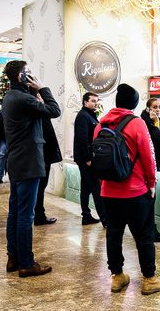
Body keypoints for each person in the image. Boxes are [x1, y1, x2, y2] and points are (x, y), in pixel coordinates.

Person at [97, 83, 160, 295]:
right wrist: (152, 183)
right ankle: (149, 279)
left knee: (113, 235)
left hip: (108, 191)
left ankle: (117, 277)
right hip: (135, 191)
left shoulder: (101, 124)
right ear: (134, 104)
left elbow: (99, 157)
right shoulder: (137, 123)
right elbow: (148, 157)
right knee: (144, 235)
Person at [2, 60, 60, 278]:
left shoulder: (10, 97)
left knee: (15, 212)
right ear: (21, 76)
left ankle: (13, 257)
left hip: (16, 161)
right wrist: (42, 88)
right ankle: (26, 263)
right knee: (26, 215)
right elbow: (54, 110)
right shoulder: (24, 98)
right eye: (28, 73)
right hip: (28, 163)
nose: (31, 76)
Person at [73, 92, 106, 225]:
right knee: (96, 187)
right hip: (86, 158)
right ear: (85, 102)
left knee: (86, 187)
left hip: (87, 157)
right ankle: (105, 219)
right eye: (93, 101)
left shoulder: (90, 115)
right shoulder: (83, 116)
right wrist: (88, 158)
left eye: (96, 101)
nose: (95, 103)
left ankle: (86, 215)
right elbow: (82, 139)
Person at [140, 98, 160, 243]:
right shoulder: (145, 122)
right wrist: (157, 125)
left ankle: (148, 231)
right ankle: (150, 232)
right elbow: (158, 139)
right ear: (148, 108)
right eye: (155, 107)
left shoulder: (155, 121)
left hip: (150, 164)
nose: (157, 110)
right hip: (147, 167)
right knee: (149, 200)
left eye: (159, 107)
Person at [35, 116, 61, 225]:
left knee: (39, 187)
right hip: (42, 155)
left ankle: (38, 214)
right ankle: (39, 216)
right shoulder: (40, 115)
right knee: (40, 187)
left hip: (42, 155)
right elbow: (55, 111)